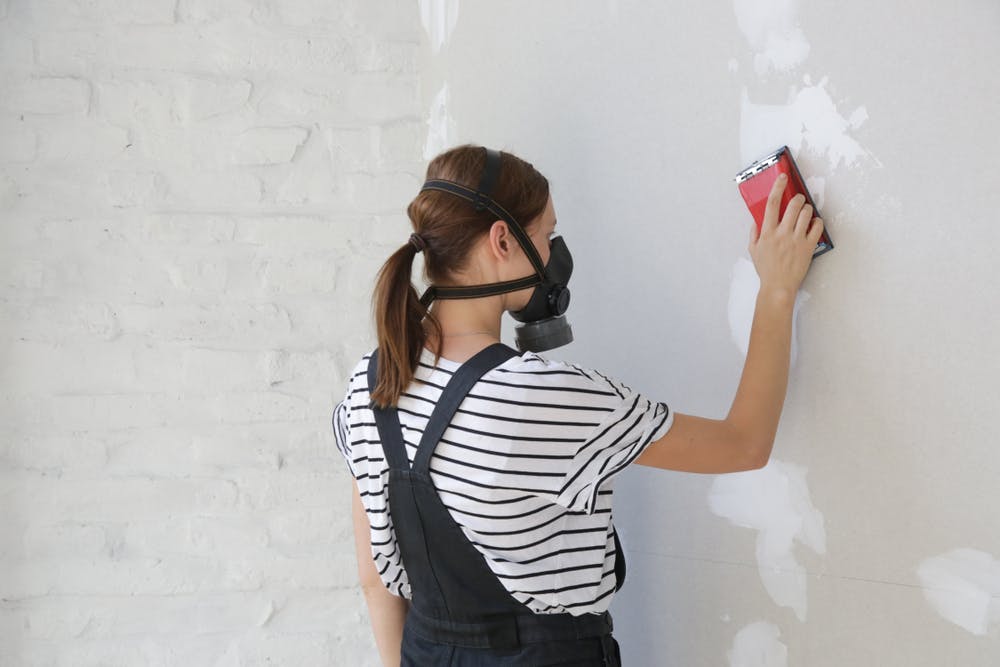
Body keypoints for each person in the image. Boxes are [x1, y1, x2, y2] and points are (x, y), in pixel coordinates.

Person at [332, 144, 823, 666]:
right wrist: (776, 288)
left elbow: (374, 579)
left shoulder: (370, 382)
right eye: (546, 235)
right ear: (503, 239)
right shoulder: (541, 395)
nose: (553, 256)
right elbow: (743, 444)